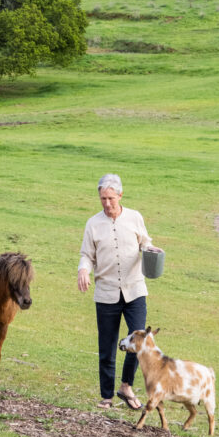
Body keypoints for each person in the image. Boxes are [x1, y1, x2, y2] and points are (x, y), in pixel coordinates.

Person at [77, 173, 154, 410]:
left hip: (135, 290)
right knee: (107, 345)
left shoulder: (134, 217)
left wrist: (151, 248)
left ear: (120, 195)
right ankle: (107, 396)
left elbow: (145, 242)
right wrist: (83, 270)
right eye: (103, 199)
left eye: (111, 198)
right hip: (106, 293)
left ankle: (126, 386)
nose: (107, 203)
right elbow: (86, 255)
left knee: (138, 338)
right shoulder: (93, 224)